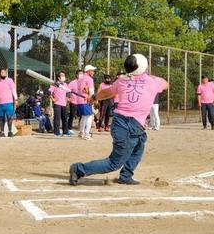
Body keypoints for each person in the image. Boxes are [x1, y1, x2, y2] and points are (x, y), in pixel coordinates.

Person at [69, 54, 169, 185]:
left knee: (139, 146)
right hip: (129, 126)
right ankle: (78, 169)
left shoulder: (122, 80)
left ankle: (126, 176)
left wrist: (94, 98)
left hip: (122, 123)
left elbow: (107, 93)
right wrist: (148, 75)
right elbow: (166, 84)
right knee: (113, 163)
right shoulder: (153, 81)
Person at [0, 68, 18, 137]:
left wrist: (16, 99)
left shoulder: (10, 80)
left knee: (9, 117)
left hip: (9, 102)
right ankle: (2, 132)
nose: (4, 73)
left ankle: (10, 132)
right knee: (1, 118)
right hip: (0, 103)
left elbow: (13, 90)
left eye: (5, 72)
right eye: (2, 72)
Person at [77, 65, 96, 140]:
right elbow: (91, 91)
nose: (93, 72)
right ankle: (87, 134)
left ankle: (81, 132)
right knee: (89, 116)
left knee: (84, 117)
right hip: (86, 99)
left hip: (79, 100)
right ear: (88, 71)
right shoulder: (89, 79)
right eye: (92, 70)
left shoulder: (80, 78)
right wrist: (92, 99)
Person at [49, 71, 70, 137]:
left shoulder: (65, 85)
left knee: (65, 119)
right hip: (57, 104)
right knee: (57, 119)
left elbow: (68, 92)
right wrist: (53, 99)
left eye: (64, 75)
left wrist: (67, 99)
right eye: (62, 76)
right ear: (58, 77)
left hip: (64, 104)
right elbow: (49, 92)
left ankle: (65, 133)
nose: (64, 77)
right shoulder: (55, 84)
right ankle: (56, 133)